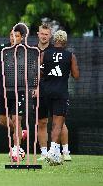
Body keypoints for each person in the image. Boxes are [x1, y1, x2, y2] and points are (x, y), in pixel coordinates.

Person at [40, 30, 79, 165]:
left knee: (52, 121)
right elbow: (76, 75)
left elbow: (41, 72)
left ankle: (55, 152)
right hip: (60, 92)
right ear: (65, 41)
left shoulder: (45, 54)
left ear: (54, 40)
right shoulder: (70, 55)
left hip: (47, 92)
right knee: (58, 123)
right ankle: (52, 151)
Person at [0, 26, 26, 162]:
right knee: (3, 121)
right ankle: (20, 133)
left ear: (21, 38)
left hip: (20, 90)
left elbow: (33, 71)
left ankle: (16, 149)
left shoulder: (26, 51)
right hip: (4, 90)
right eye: (11, 35)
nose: (13, 38)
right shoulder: (2, 49)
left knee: (17, 119)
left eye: (16, 36)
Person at [34, 24, 71, 161]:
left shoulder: (55, 50)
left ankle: (65, 151)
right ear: (38, 34)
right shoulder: (32, 50)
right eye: (41, 33)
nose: (43, 36)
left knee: (60, 123)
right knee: (41, 121)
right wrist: (36, 87)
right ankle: (44, 153)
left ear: (50, 36)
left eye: (46, 34)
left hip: (56, 92)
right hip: (40, 92)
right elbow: (36, 73)